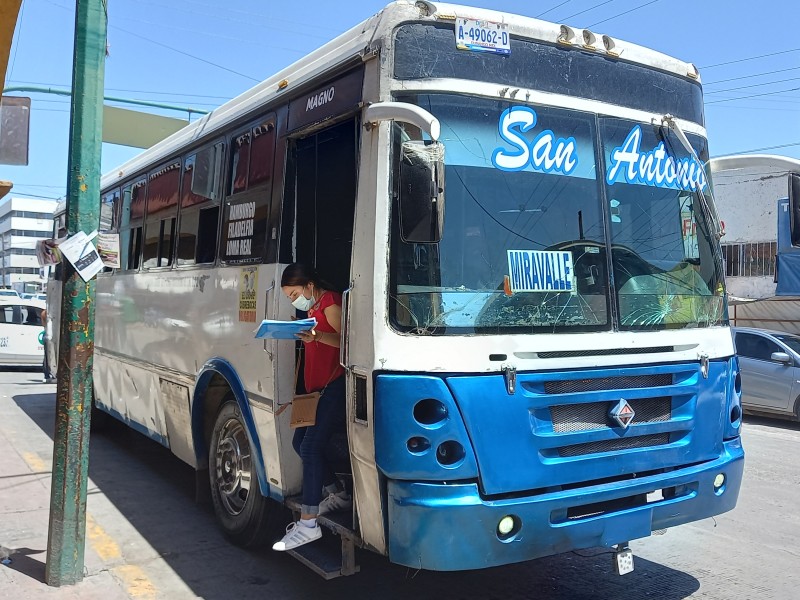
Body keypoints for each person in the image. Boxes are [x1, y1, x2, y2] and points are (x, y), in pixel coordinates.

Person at [272, 263, 352, 552]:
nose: (295, 300)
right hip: (316, 390)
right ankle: (338, 494)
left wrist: (316, 336)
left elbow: (347, 342)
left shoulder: (330, 301)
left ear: (309, 285)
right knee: (299, 441)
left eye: (295, 294)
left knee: (310, 447)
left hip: (334, 386)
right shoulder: (313, 307)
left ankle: (308, 524)